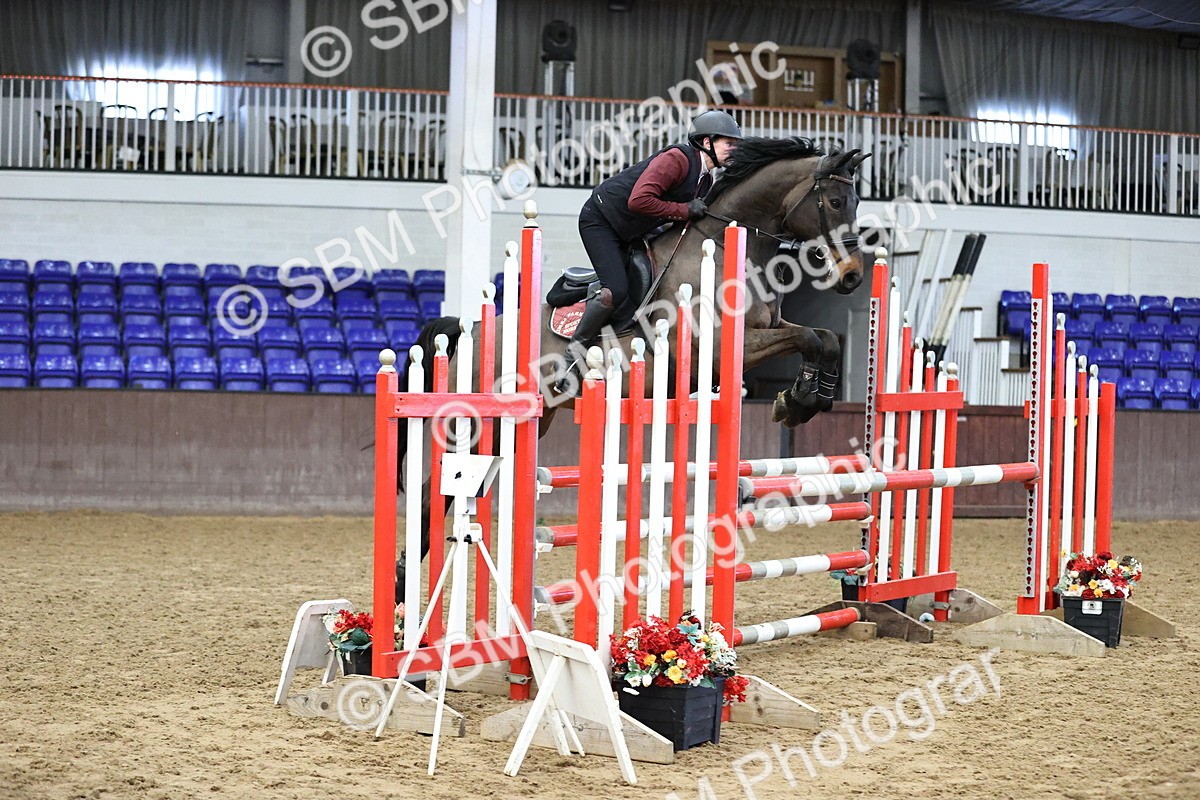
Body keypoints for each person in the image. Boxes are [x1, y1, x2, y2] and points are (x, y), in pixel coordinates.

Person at [561, 109, 743, 387]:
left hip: (634, 228)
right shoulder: (677, 160)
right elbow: (639, 200)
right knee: (616, 289)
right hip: (601, 220)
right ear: (707, 142)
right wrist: (684, 209)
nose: (735, 149)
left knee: (651, 277)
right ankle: (571, 358)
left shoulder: (706, 179)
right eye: (729, 143)